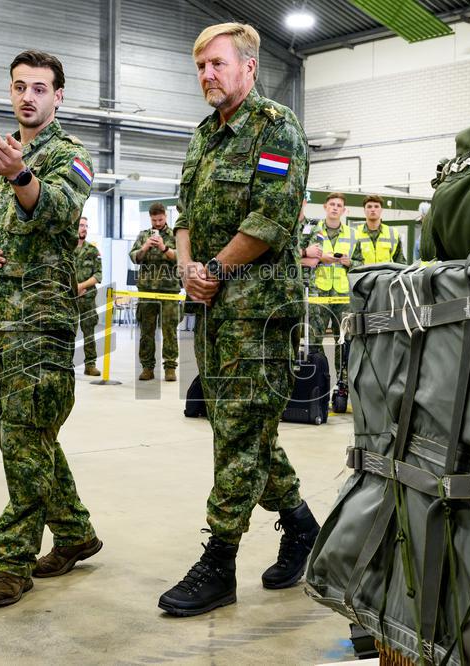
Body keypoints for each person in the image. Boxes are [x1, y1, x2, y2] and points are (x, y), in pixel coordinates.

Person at [159, 22, 320, 618]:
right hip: (213, 313)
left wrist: (215, 272)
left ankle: (220, 562)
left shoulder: (277, 128)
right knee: (243, 432)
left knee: (238, 439)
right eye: (201, 67)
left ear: (249, 67)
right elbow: (182, 215)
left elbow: (271, 217)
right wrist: (186, 269)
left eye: (217, 64)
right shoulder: (204, 137)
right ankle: (302, 526)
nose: (207, 75)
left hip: (259, 315)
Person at [0, 50, 101, 609]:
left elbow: (60, 211)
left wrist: (20, 173)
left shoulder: (71, 156)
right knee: (25, 439)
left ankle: (12, 562)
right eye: (19, 86)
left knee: (26, 440)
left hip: (38, 328)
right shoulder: (0, 163)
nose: (27, 96)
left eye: (39, 88)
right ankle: (74, 532)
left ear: (58, 96)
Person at [301, 193, 355, 390]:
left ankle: (342, 386)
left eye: (338, 205)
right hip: (318, 294)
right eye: (331, 204)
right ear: (325, 207)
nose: (334, 208)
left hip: (343, 296)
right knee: (314, 340)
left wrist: (351, 262)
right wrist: (321, 258)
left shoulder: (353, 234)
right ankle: (321, 382)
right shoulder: (311, 229)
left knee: (344, 341)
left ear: (343, 210)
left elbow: (361, 264)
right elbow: (302, 255)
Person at [129, 202, 180, 382]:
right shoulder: (143, 235)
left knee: (170, 331)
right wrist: (145, 247)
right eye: (154, 220)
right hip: (147, 291)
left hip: (169, 291)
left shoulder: (175, 235)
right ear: (150, 218)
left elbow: (181, 258)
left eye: (160, 219)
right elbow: (134, 257)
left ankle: (170, 367)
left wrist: (163, 248)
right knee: (146, 331)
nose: (157, 223)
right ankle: (147, 367)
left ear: (166, 216)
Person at [73, 216, 102, 376]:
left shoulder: (92, 251)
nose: (84, 228)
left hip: (87, 300)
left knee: (89, 332)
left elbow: (98, 275)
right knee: (67, 332)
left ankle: (90, 365)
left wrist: (81, 286)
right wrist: (72, 289)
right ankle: (65, 364)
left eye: (86, 226)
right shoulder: (66, 249)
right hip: (68, 300)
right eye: (81, 225)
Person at [351, 194, 406, 265]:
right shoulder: (355, 233)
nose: (373, 209)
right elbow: (351, 262)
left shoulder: (393, 234)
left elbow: (400, 263)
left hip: (385, 276)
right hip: (363, 275)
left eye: (376, 206)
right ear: (364, 210)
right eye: (369, 207)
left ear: (381, 210)